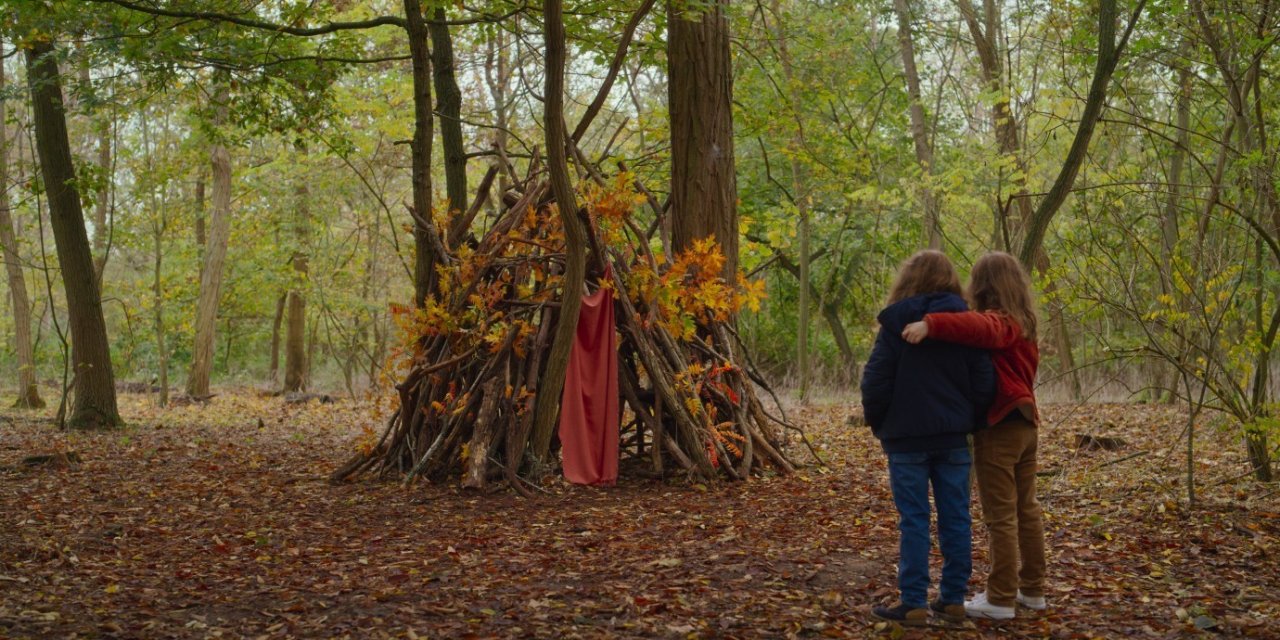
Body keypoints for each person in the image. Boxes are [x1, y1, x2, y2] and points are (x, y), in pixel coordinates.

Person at [901, 251, 1046, 620]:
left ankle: (999, 599)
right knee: (1025, 511)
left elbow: (981, 328)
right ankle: (1032, 591)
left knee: (1002, 516)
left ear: (983, 285)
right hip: (1026, 425)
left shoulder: (1002, 322)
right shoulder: (1024, 321)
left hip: (1002, 428)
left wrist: (931, 324)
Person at [861, 250, 995, 626]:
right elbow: (984, 381)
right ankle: (952, 599)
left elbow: (875, 381)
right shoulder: (966, 326)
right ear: (951, 282)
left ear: (907, 280)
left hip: (905, 439)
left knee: (915, 520)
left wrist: (881, 424)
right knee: (956, 516)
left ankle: (914, 601)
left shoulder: (895, 327)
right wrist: (972, 420)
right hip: (952, 438)